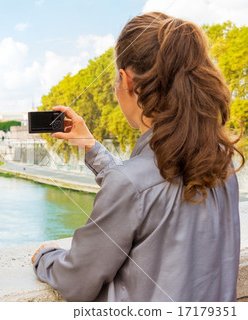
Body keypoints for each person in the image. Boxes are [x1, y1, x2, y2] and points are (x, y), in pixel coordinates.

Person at [31, 11, 244, 302]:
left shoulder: (131, 184)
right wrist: (91, 147)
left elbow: (76, 281)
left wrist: (46, 255)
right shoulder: (223, 164)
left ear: (126, 80)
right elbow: (147, 189)